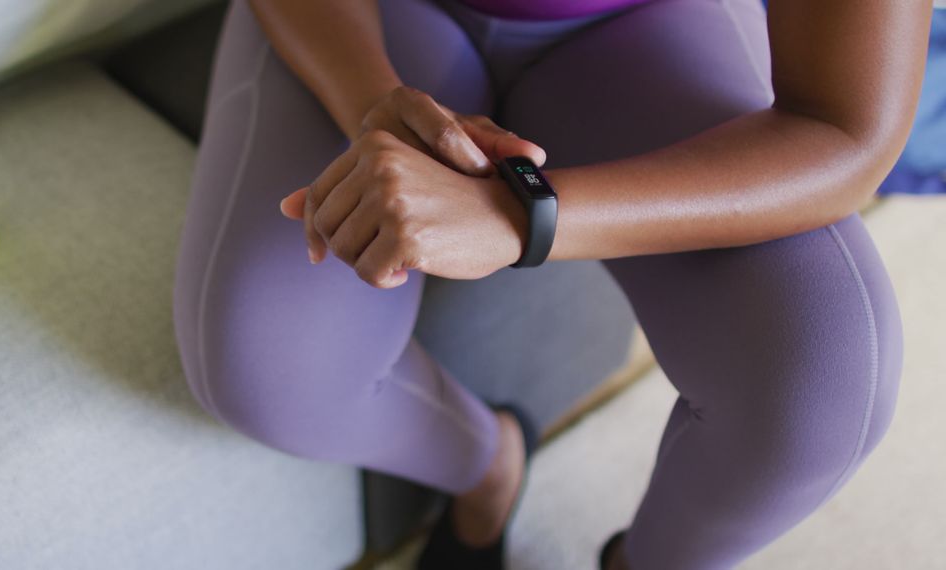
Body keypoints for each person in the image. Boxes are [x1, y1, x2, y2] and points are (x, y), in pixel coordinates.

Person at [170, 0, 932, 568]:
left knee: (827, 385)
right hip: (376, 18)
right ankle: (489, 466)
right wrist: (373, 111)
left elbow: (844, 131)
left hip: (642, 23)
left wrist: (520, 217)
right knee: (268, 375)